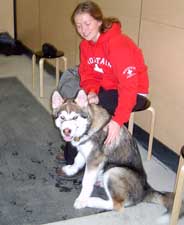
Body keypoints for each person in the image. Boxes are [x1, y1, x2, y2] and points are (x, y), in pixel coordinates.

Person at [56, 1, 149, 175]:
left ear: (99, 21)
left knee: (94, 110)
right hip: (109, 88)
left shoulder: (117, 44)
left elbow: (128, 86)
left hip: (134, 91)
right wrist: (92, 91)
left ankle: (84, 157)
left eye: (87, 23)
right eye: (78, 26)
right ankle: (75, 154)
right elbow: (89, 75)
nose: (83, 30)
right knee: (81, 105)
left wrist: (118, 121)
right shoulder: (85, 45)